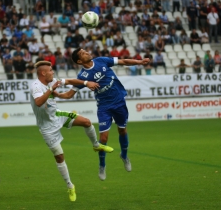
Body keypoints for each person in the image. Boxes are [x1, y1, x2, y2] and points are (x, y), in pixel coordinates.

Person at [57, 48, 150, 181]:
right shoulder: (82, 76)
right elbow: (69, 94)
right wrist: (57, 95)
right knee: (104, 139)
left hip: (119, 102)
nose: (88, 52)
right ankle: (102, 165)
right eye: (83, 53)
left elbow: (123, 61)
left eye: (86, 51)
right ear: (79, 61)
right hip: (104, 107)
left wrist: (139, 62)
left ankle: (124, 155)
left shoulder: (101, 61)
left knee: (122, 130)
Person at [29, 61, 114, 201]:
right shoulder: (36, 86)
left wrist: (86, 83)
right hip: (47, 127)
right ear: (43, 73)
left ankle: (96, 145)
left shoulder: (52, 82)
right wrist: (51, 90)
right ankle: (70, 186)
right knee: (59, 157)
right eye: (50, 70)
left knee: (86, 122)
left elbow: (69, 80)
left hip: (57, 116)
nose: (53, 73)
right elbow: (38, 102)